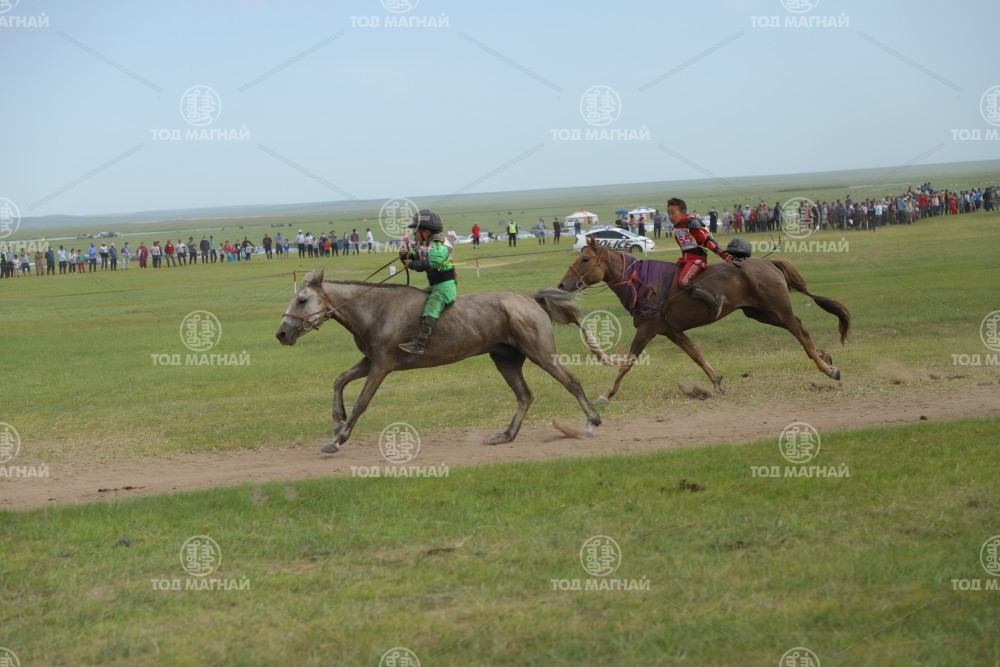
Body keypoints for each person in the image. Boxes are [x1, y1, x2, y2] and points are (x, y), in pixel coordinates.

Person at [667, 197, 735, 320]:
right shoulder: (677, 226)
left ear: (683, 212)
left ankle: (714, 301)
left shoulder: (692, 225)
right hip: (684, 260)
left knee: (684, 282)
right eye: (668, 213)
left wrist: (724, 255)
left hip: (697, 259)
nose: (670, 216)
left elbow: (708, 241)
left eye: (673, 213)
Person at [398, 210, 456, 355]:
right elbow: (416, 257)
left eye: (416, 231)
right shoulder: (426, 245)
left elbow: (432, 263)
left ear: (425, 232)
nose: (414, 234)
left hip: (444, 288)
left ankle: (420, 344)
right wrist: (405, 256)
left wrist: (412, 264)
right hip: (434, 285)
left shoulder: (439, 245)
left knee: (432, 307)